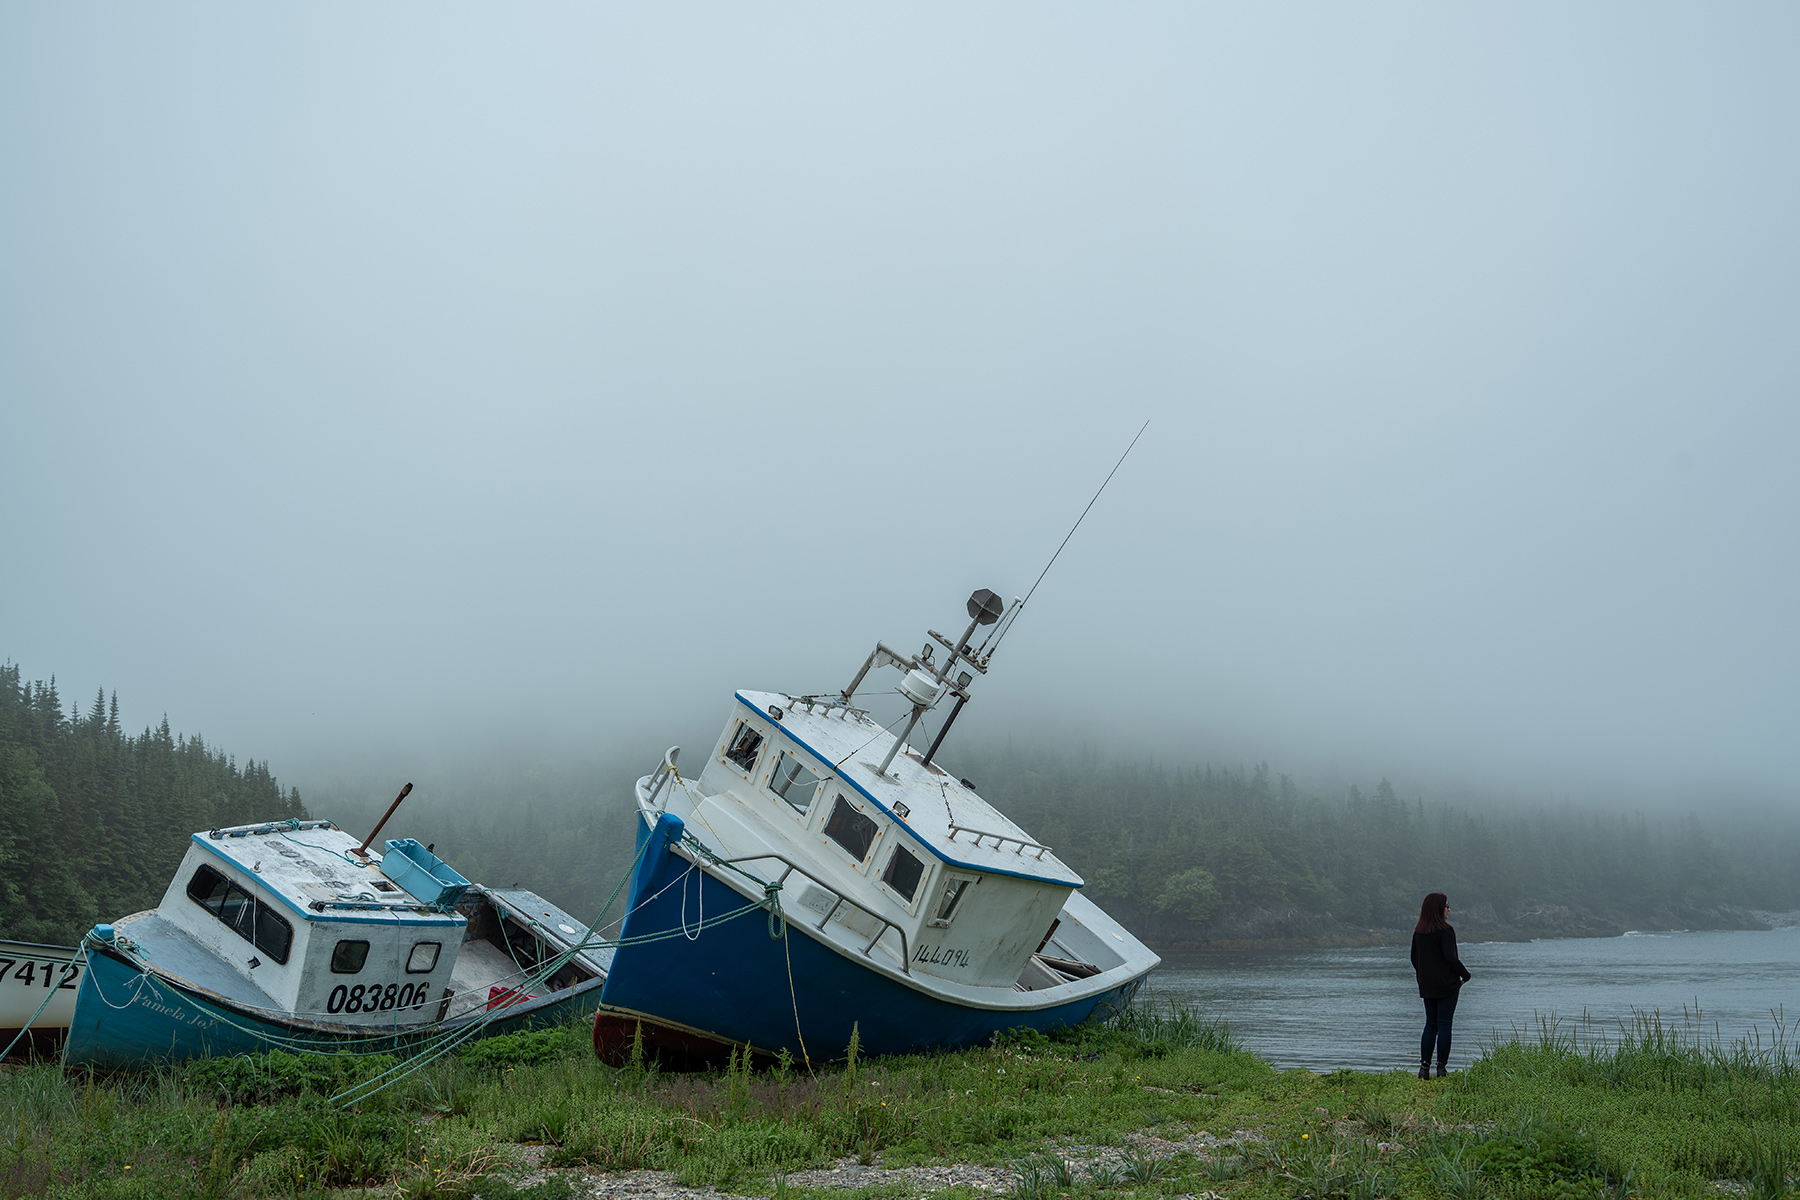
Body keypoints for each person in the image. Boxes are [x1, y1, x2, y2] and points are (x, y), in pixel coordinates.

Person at [1410, 891, 1471, 1078]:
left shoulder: (1419, 932)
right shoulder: (1446, 931)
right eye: (1446, 906)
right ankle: (1441, 1068)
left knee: (1430, 1024)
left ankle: (1424, 1068)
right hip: (1447, 985)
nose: (1449, 910)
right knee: (1445, 1024)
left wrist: (1424, 976)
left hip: (1427, 985)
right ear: (1438, 908)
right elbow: (1450, 957)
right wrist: (1465, 976)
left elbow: (1414, 959)